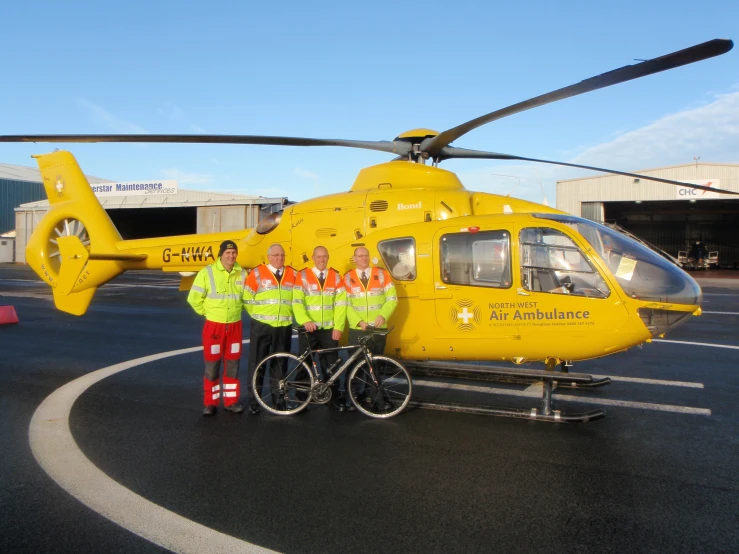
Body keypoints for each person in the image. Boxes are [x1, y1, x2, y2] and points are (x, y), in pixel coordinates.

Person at [187, 240, 247, 416]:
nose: (231, 256)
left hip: (235, 326)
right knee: (212, 366)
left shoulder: (241, 273)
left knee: (233, 366)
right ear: (221, 255)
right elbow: (194, 299)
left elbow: (247, 299)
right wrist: (208, 314)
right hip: (214, 327)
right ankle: (210, 403)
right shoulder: (207, 273)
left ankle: (231, 401)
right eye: (228, 253)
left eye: (234, 253)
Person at [243, 243, 298, 414]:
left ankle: (278, 400)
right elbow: (247, 298)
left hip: (284, 326)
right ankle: (254, 400)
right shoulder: (257, 273)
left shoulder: (293, 274)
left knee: (280, 364)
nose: (279, 258)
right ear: (268, 257)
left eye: (282, 255)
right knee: (257, 362)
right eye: (275, 255)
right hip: (262, 325)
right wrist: (259, 316)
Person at [292, 246, 348, 411]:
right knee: (305, 363)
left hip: (329, 329)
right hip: (309, 328)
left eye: (324, 257)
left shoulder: (336, 277)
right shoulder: (302, 276)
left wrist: (338, 326)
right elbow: (297, 302)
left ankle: (333, 398)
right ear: (313, 257)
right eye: (318, 257)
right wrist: (305, 321)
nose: (322, 260)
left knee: (331, 365)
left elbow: (341, 304)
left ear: (328, 257)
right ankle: (300, 397)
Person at [343, 246, 397, 355]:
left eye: (366, 255)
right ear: (354, 258)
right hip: (358, 329)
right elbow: (345, 304)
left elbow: (392, 299)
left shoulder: (382, 274)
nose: (364, 258)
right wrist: (359, 322)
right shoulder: (347, 277)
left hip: (378, 328)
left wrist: (383, 315)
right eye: (360, 256)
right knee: (356, 365)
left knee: (376, 363)